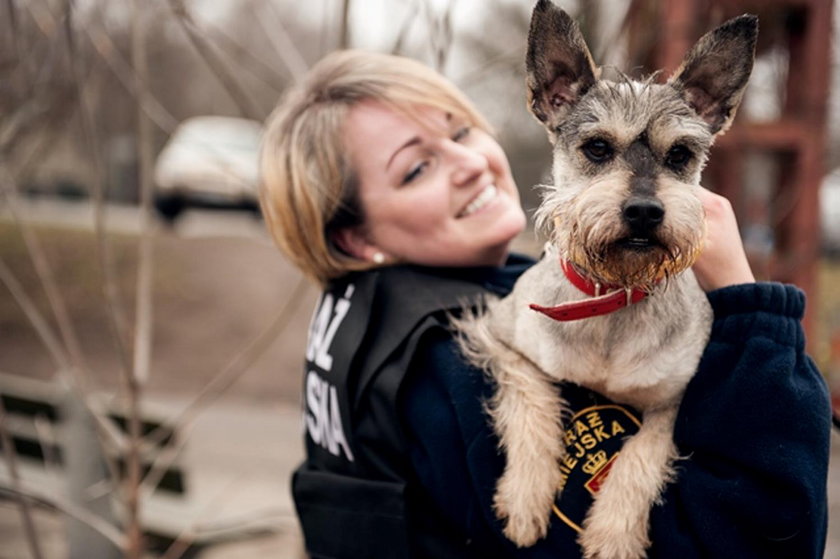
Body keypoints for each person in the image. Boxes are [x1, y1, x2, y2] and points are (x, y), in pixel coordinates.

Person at [259, 49, 831, 559]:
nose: (470, 164)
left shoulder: (372, 319)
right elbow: (761, 536)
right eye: (415, 169)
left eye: (460, 133)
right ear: (356, 239)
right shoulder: (444, 363)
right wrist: (747, 303)